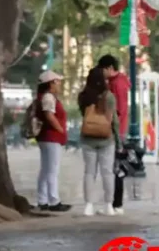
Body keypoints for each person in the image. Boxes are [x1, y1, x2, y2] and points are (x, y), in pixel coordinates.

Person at [78, 67, 120, 216]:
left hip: (88, 137)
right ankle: (108, 205)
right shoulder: (109, 96)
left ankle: (88, 205)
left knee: (89, 172)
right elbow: (114, 120)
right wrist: (119, 142)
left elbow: (85, 114)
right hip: (106, 138)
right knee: (107, 172)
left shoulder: (83, 96)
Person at [97, 54, 129, 215]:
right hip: (117, 129)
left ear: (110, 68)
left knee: (115, 168)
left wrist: (116, 132)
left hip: (117, 130)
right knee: (114, 167)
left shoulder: (118, 84)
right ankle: (115, 203)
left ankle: (116, 204)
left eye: (103, 69)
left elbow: (120, 110)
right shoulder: (117, 82)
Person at [35, 70, 70, 212]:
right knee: (52, 170)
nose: (59, 84)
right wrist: (60, 129)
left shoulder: (44, 96)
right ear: (51, 83)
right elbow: (49, 115)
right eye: (58, 81)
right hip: (51, 137)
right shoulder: (48, 97)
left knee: (45, 170)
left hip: (46, 137)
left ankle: (42, 200)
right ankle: (54, 201)